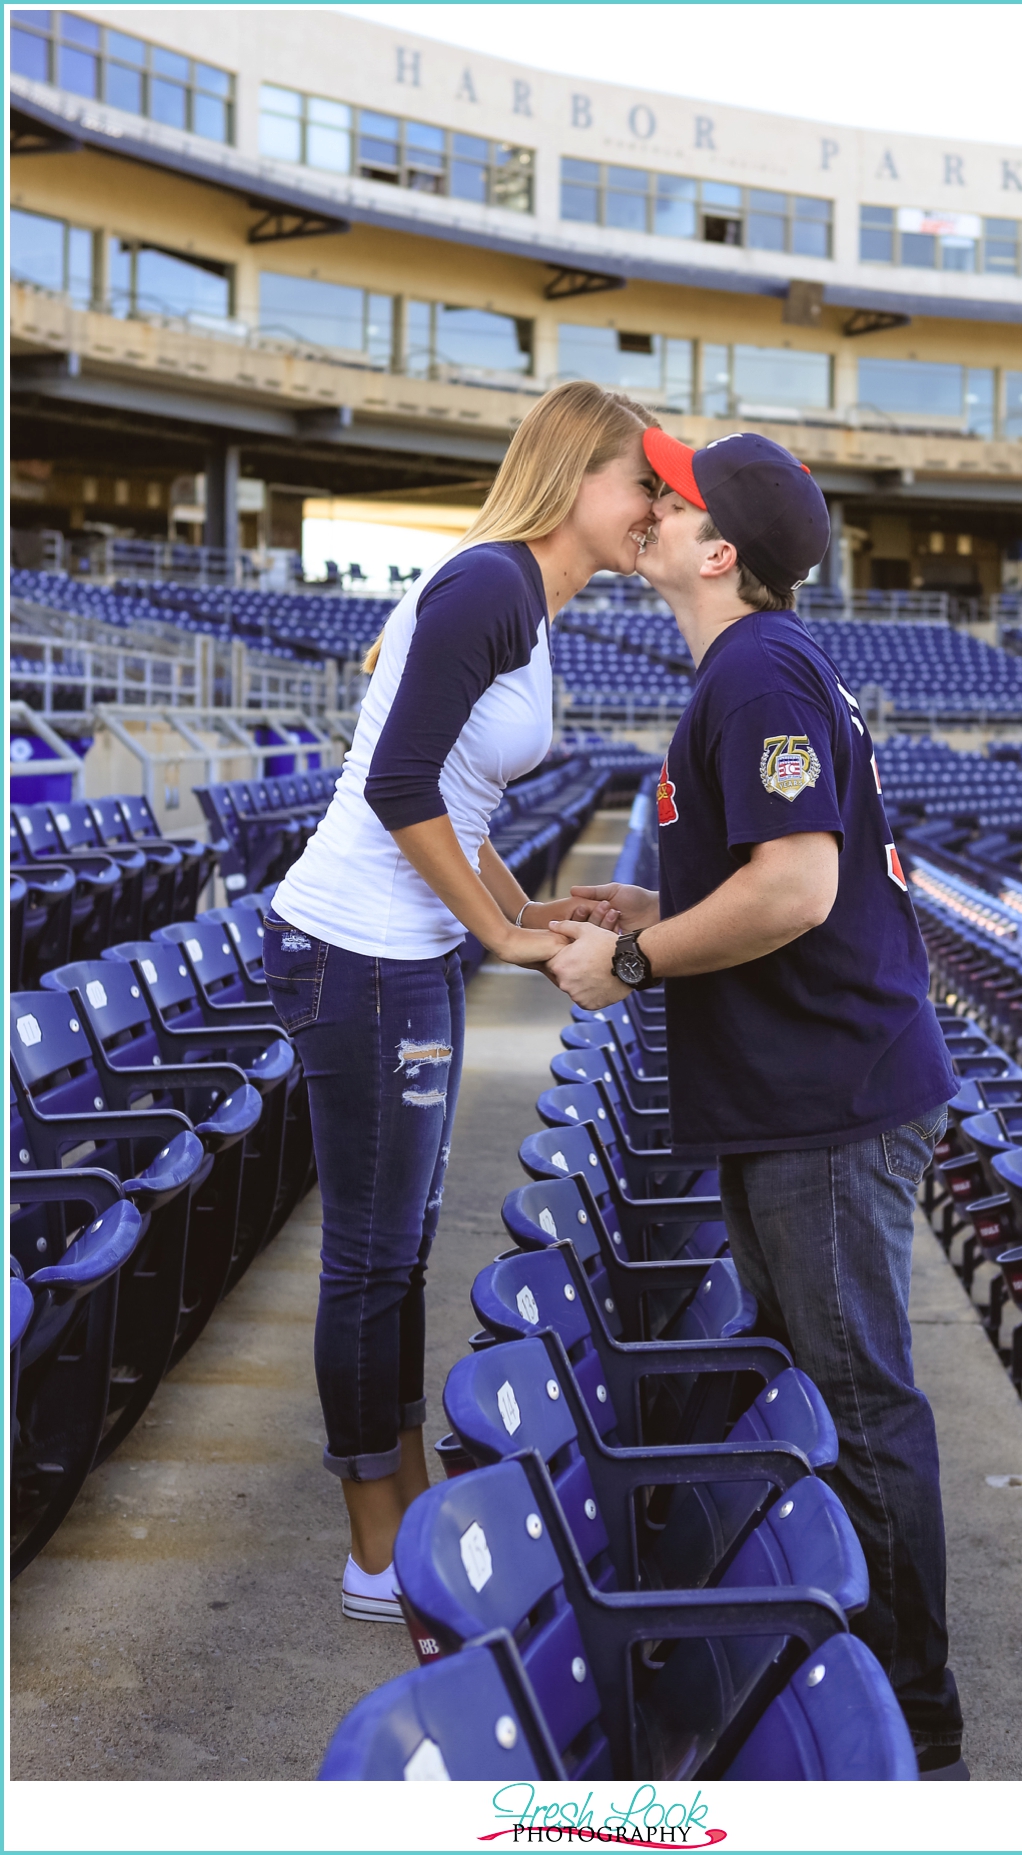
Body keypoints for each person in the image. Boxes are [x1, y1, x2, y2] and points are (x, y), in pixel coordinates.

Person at [546, 428, 967, 1777]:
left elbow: (797, 888)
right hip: (802, 1092)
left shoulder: (760, 665)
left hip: (828, 1100)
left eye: (670, 495)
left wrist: (631, 957)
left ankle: (912, 1718)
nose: (649, 505)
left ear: (716, 547)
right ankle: (856, 1680)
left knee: (859, 1395)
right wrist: (659, 910)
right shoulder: (748, 668)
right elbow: (770, 882)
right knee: (822, 1383)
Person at [262, 381, 658, 1623]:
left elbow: (458, 800)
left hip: (408, 952)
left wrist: (526, 908)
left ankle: (408, 1495)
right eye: (639, 479)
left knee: (402, 1250)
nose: (652, 503)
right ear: (578, 475)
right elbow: (394, 782)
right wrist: (499, 932)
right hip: (363, 952)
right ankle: (376, 1548)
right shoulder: (490, 583)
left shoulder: (528, 604)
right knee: (371, 1260)